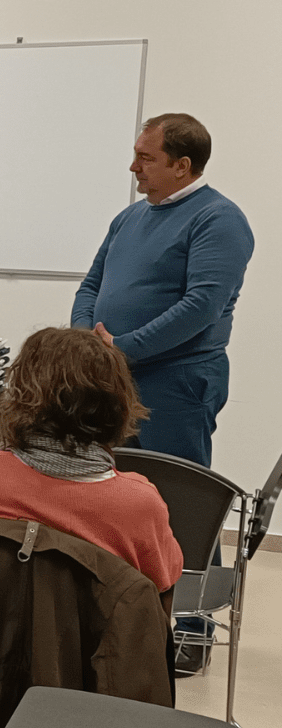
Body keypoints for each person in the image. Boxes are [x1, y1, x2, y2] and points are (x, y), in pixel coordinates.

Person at [71, 113, 254, 469]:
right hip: (113, 376)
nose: (133, 166)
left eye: (146, 158)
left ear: (182, 165)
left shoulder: (218, 219)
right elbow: (92, 285)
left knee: (173, 495)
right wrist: (85, 342)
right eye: (135, 154)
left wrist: (122, 348)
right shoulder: (129, 217)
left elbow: (202, 306)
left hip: (175, 383)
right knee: (112, 489)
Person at [0, 327, 182, 593]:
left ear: (20, 394)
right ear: (117, 402)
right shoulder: (139, 504)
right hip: (88, 636)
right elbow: (157, 596)